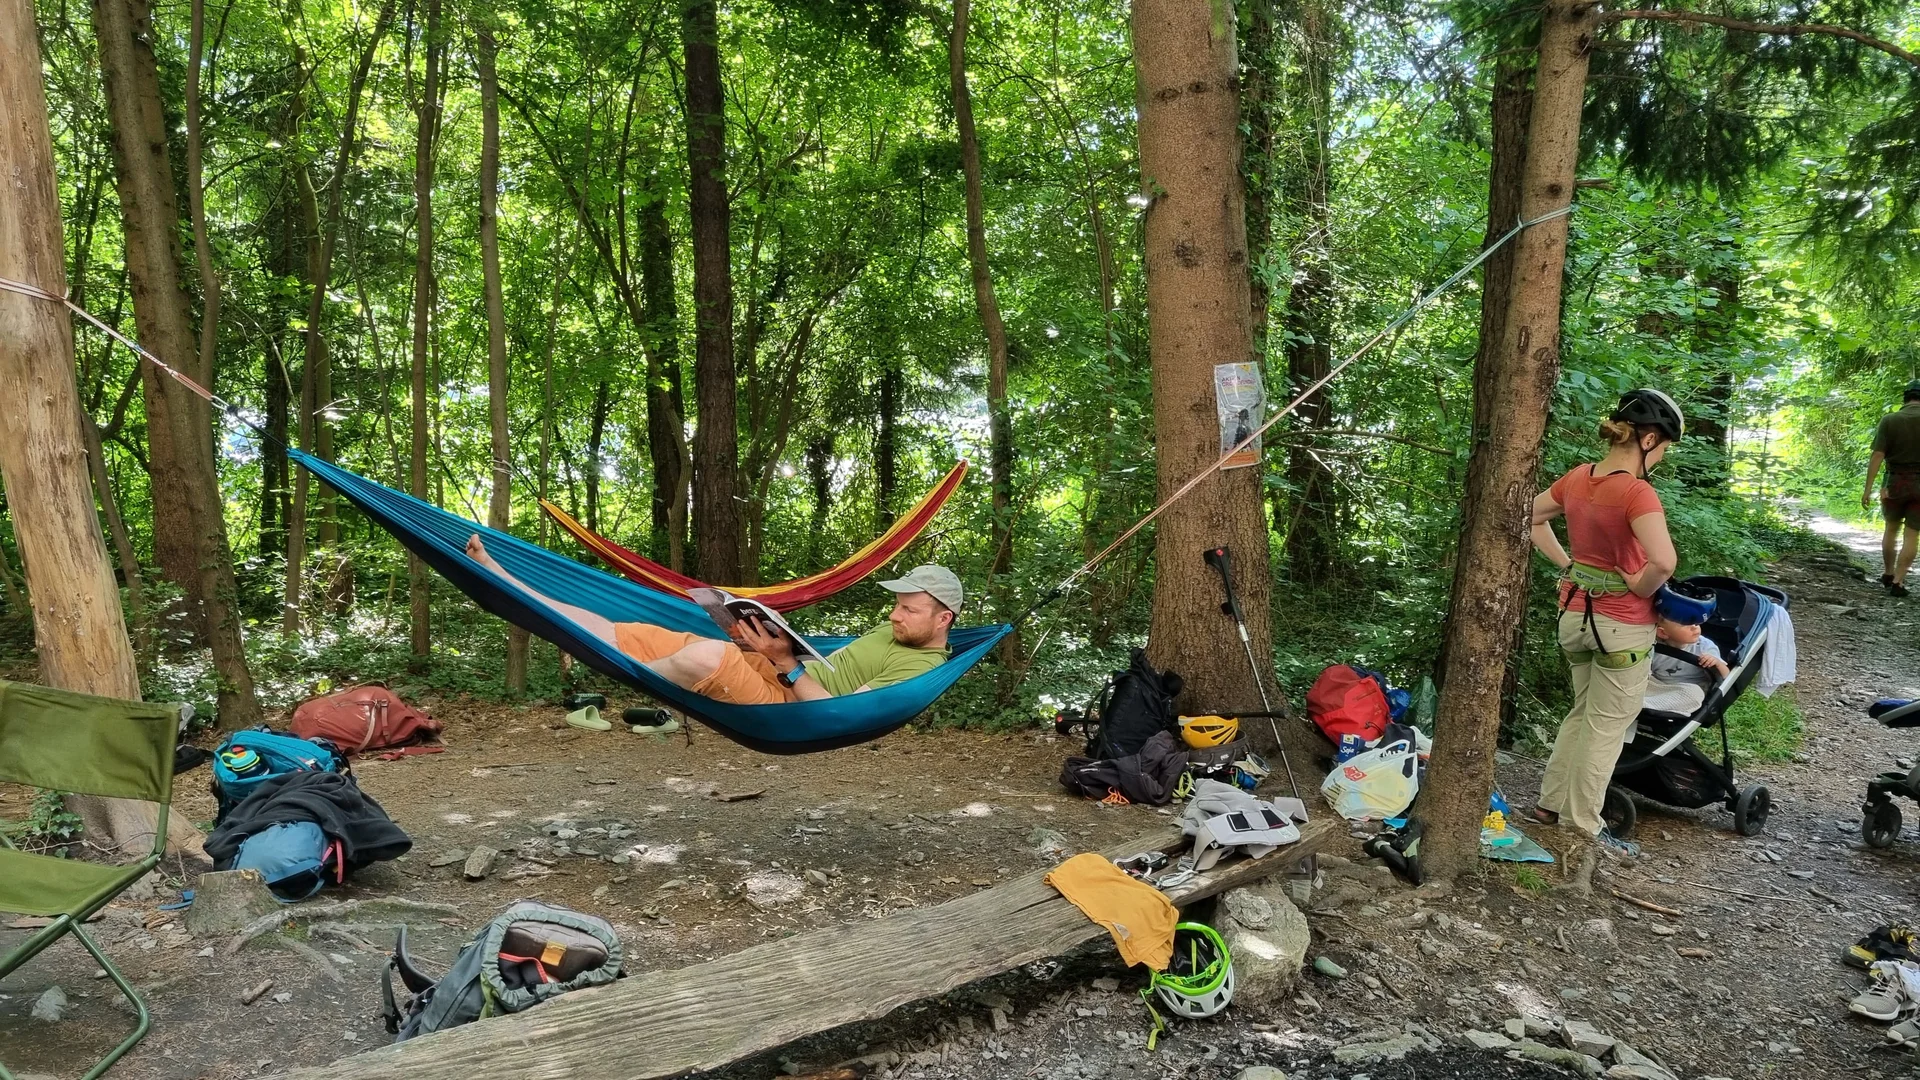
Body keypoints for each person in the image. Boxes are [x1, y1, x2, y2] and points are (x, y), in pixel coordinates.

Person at [466, 535, 959, 705]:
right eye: (895, 604)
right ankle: (510, 581)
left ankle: (637, 679)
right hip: (775, 670)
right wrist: (764, 643)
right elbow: (830, 664)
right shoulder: (898, 628)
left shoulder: (920, 670)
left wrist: (786, 663)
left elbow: (835, 710)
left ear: (943, 619)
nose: (894, 615)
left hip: (791, 706)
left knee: (705, 655)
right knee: (618, 629)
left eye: (908, 609)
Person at [1526, 389, 1684, 854]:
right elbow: (1664, 562)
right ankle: (1582, 826)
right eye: (1664, 449)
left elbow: (1530, 516)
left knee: (1581, 712)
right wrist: (1639, 585)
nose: (1662, 458)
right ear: (1649, 439)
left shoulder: (1578, 479)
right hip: (1622, 627)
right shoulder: (1636, 492)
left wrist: (1567, 565)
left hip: (1573, 617)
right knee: (1607, 724)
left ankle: (1550, 805)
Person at [1862, 379, 1920, 598]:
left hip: (1893, 483)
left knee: (1891, 528)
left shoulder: (1890, 420)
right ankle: (1898, 581)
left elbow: (1878, 455)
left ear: (1905, 399)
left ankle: (1887, 573)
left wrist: (1867, 488)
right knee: (1912, 535)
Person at [1642, 601, 1730, 717]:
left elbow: (1726, 677)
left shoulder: (1705, 646)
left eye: (1695, 621)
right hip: (1657, 686)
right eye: (1686, 624)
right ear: (1663, 633)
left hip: (1685, 690)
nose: (1694, 626)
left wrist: (1716, 663)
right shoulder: (1652, 644)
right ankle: (1636, 701)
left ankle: (1642, 704)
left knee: (1695, 694)